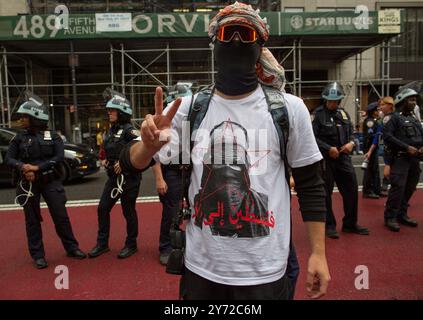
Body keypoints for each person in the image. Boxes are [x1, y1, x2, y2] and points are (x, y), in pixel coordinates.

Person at [120, 2, 330, 300]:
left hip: (266, 272)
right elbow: (131, 163)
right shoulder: (187, 109)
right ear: (214, 44)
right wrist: (147, 146)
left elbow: (311, 185)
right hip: (202, 271)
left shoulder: (288, 109)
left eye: (245, 34)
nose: (235, 41)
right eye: (226, 33)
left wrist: (318, 254)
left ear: (259, 46)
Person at [5, 93, 86, 269]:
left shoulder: (53, 136)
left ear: (36, 117)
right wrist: (23, 167)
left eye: (26, 116)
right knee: (32, 220)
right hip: (28, 183)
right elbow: (9, 158)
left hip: (50, 181)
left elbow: (58, 157)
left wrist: (37, 168)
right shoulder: (18, 137)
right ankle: (38, 255)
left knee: (60, 216)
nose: (22, 120)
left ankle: (72, 248)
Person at [312, 82, 369, 239]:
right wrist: (328, 148)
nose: (333, 103)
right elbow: (313, 137)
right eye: (331, 101)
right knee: (326, 194)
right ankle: (329, 225)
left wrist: (352, 142)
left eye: (336, 101)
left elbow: (352, 132)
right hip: (327, 160)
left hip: (343, 158)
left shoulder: (343, 114)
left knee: (351, 191)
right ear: (325, 100)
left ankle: (350, 224)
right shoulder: (318, 115)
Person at [88, 89, 141, 259]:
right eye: (109, 110)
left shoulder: (130, 131)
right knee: (102, 209)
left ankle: (131, 244)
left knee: (128, 212)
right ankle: (102, 244)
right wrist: (103, 160)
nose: (109, 112)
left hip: (129, 179)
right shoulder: (110, 131)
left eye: (112, 110)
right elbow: (105, 150)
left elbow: (140, 151)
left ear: (122, 112)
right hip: (113, 178)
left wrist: (123, 163)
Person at [152, 83, 192, 266]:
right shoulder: (164, 123)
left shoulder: (190, 123)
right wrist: (159, 178)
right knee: (171, 212)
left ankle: (188, 244)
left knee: (194, 210)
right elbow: (155, 155)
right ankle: (166, 247)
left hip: (190, 171)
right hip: (172, 173)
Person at [382, 88, 423, 232]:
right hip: (401, 158)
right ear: (402, 101)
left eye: (414, 100)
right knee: (398, 188)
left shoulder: (414, 119)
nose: (414, 102)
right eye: (411, 100)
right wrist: (406, 147)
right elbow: (388, 137)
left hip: (414, 159)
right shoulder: (393, 118)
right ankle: (390, 217)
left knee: (410, 187)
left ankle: (402, 214)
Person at [361, 102, 383, 199]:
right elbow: (371, 138)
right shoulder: (370, 122)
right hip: (369, 148)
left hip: (374, 147)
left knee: (375, 169)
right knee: (369, 170)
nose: (379, 111)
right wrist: (369, 151)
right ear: (373, 112)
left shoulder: (374, 121)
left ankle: (377, 189)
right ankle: (367, 191)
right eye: (377, 110)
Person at [378, 96, 395, 192]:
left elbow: (390, 138)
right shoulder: (384, 117)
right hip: (388, 149)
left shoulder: (390, 118)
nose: (380, 107)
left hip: (393, 151)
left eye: (383, 105)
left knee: (392, 175)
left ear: (390, 106)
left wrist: (388, 163)